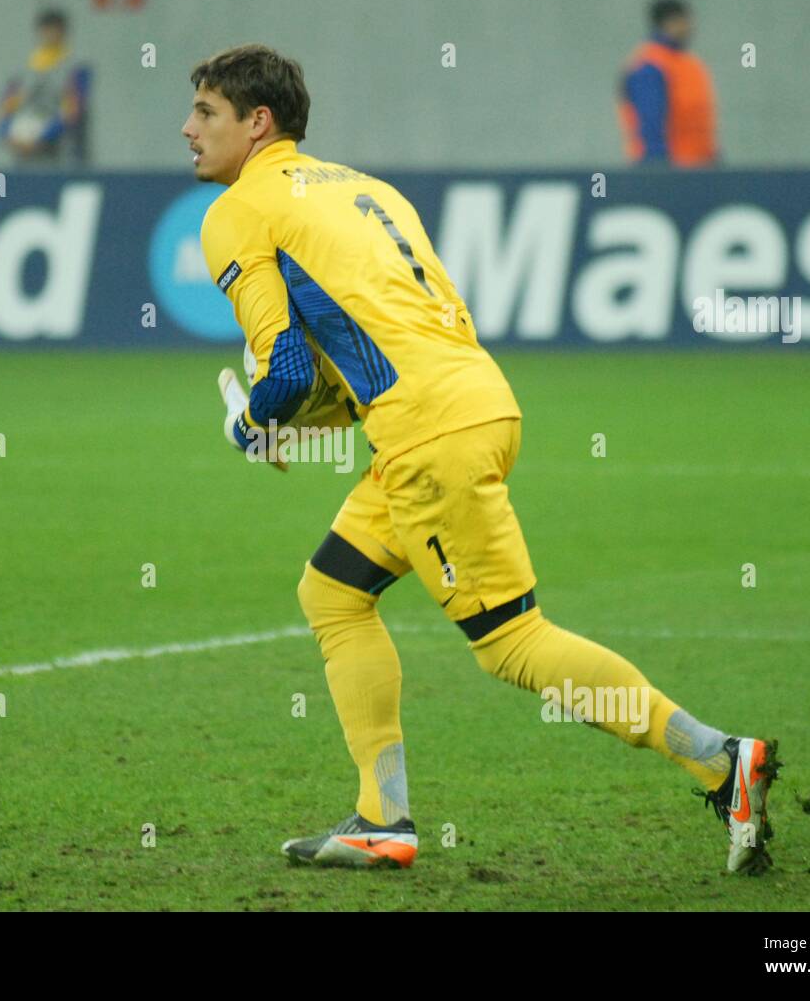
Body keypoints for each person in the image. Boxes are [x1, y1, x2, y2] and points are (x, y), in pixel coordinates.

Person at [185, 44, 777, 871]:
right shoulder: (364, 188)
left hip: (427, 433)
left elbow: (286, 370)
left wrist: (257, 424)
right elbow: (366, 357)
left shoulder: (238, 211)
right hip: (474, 402)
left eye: (206, 112)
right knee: (333, 591)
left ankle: (718, 759)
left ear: (257, 122)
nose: (188, 129)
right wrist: (293, 420)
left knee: (511, 643)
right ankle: (380, 818)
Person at [618, 0, 719, 166]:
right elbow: (651, 125)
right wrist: (660, 170)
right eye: (684, 21)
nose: (690, 27)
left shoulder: (690, 65)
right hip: (668, 171)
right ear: (669, 22)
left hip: (699, 168)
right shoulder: (650, 66)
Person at [0, 9, 92, 166]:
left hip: (62, 152)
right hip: (25, 151)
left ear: (64, 32)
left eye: (55, 29)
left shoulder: (77, 68)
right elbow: (6, 107)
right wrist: (7, 133)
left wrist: (41, 137)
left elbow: (73, 111)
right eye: (46, 29)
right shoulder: (23, 69)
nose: (50, 34)